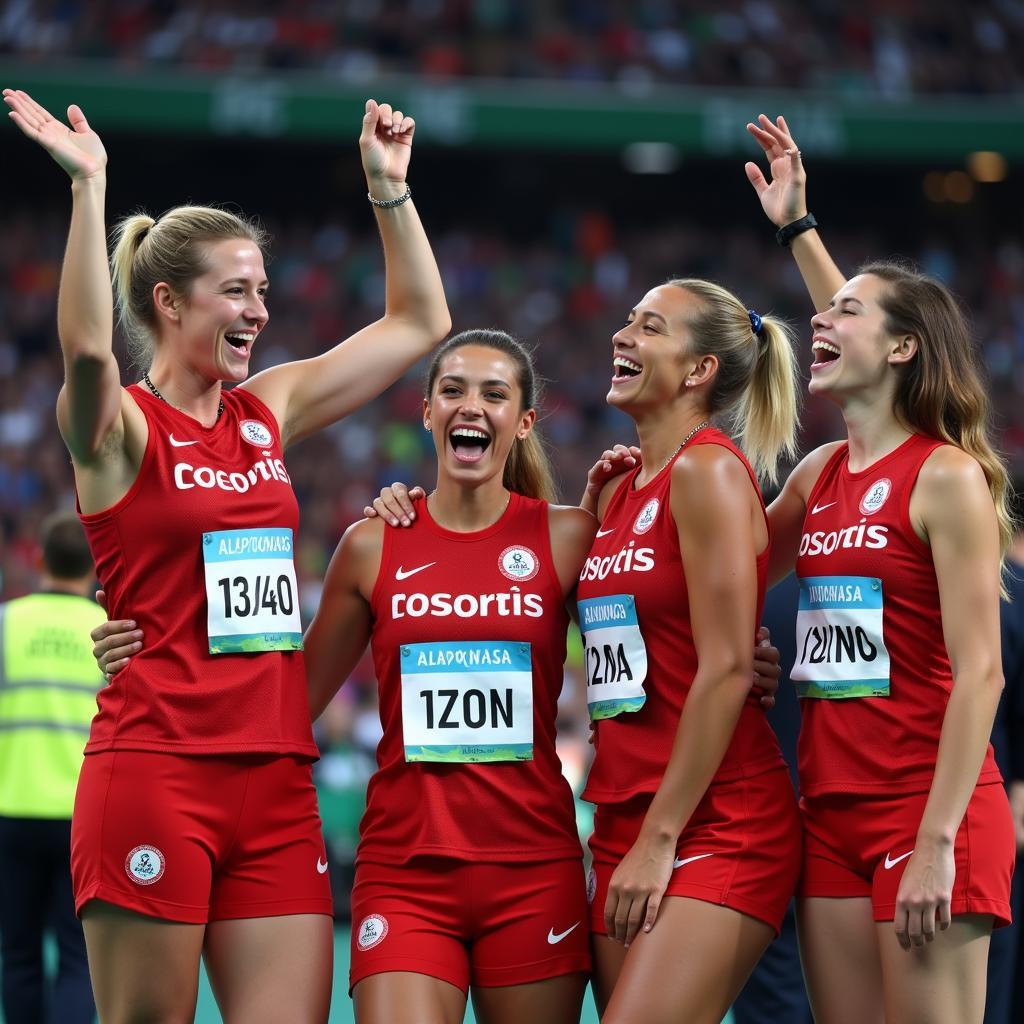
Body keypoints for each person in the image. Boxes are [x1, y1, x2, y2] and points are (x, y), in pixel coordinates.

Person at [3, 85, 450, 1023]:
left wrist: (388, 190)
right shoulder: (120, 429)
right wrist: (90, 190)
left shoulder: (267, 411)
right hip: (157, 766)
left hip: (279, 778)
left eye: (263, 291)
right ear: (167, 301)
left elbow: (418, 326)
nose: (259, 310)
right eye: (236, 292)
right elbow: (87, 352)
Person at [745, 113, 1015, 1024]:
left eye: (847, 314)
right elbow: (723, 572)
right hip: (828, 813)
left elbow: (983, 671)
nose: (822, 323)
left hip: (925, 809)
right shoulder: (820, 475)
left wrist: (940, 840)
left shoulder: (945, 480)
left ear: (901, 350)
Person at [0, 511, 104, 1024]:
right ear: (94, 567)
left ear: (39, 559)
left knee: (16, 953)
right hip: (82, 817)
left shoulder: (6, 624)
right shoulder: (108, 630)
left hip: (10, 810)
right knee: (77, 958)